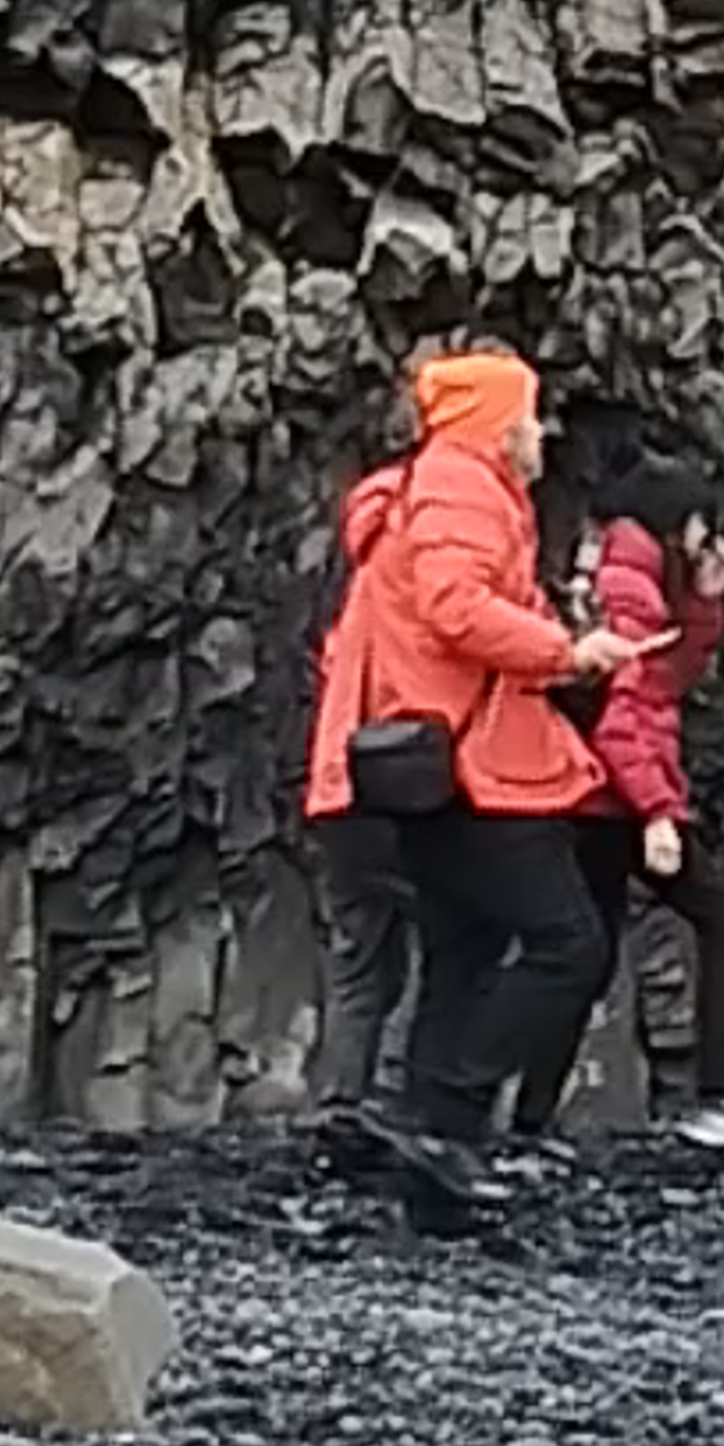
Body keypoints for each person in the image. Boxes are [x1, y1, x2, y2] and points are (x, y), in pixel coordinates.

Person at [322, 338, 638, 1197]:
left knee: (464, 947)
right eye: (529, 416)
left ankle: (431, 1140)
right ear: (498, 426)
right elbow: (457, 608)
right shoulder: (462, 485)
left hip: (433, 765)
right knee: (569, 943)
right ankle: (452, 1104)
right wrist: (568, 653)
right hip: (475, 768)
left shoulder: (445, 487)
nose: (540, 432)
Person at [541, 476, 724, 1153]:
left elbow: (662, 681)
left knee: (586, 955)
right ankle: (715, 1096)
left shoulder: (629, 570)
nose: (705, 538)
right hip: (620, 796)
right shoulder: (632, 584)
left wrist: (707, 603)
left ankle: (529, 1120)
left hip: (596, 795)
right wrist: (657, 810)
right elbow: (624, 713)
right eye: (698, 523)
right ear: (670, 520)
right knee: (721, 915)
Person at [300, 442, 421, 1117]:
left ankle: (342, 1104)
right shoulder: (420, 556)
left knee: (361, 959)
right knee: (452, 938)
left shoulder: (360, 562)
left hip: (337, 781)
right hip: (399, 779)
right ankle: (394, 1099)